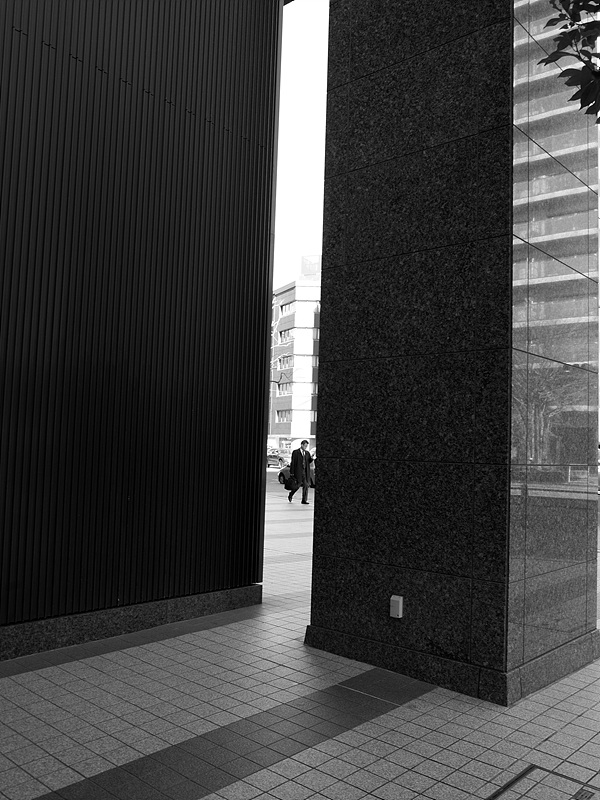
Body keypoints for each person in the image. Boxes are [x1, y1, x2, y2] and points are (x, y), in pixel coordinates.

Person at [288, 440, 313, 504]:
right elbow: (293, 462)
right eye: (305, 446)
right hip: (298, 472)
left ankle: (304, 500)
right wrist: (292, 472)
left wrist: (312, 458)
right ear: (302, 445)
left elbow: (309, 461)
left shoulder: (307, 453)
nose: (306, 447)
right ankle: (291, 494)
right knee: (297, 485)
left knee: (306, 485)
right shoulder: (295, 452)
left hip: (305, 472)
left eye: (306, 446)